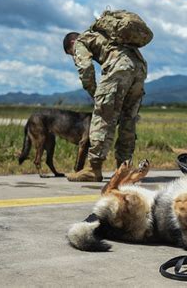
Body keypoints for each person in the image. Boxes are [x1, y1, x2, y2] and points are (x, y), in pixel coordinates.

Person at [63, 28, 147, 182]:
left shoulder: (80, 41)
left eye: (71, 53)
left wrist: (96, 94)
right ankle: (125, 170)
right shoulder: (106, 36)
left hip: (119, 67)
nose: (73, 56)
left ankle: (93, 169)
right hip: (139, 67)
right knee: (128, 120)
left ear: (72, 43)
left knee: (102, 117)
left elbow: (86, 68)